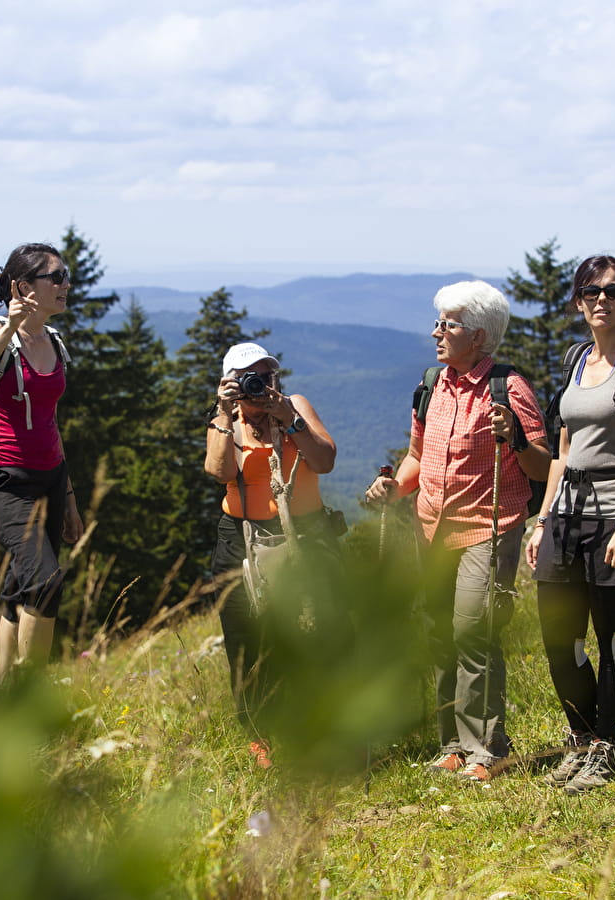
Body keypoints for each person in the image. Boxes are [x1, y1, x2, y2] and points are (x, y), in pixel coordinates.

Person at [365, 281, 552, 784]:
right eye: (439, 322)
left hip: (486, 529)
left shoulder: (509, 389)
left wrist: (512, 436)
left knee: (474, 633)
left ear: (480, 335)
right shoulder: (433, 385)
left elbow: (541, 467)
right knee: (440, 634)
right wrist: (393, 488)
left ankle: (486, 747)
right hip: (431, 529)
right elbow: (418, 457)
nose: (436, 333)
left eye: (447, 324)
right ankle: (453, 742)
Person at [525, 255, 615, 795]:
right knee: (558, 637)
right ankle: (582, 738)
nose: (602, 300)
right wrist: (542, 520)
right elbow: (563, 451)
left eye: (614, 291)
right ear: (578, 300)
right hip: (567, 514)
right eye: (591, 291)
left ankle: (608, 747)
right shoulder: (576, 359)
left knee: (614, 637)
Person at [205, 342, 338, 769]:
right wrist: (225, 414)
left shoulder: (294, 406)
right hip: (241, 537)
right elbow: (220, 472)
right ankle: (262, 735)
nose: (259, 385)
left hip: (307, 532)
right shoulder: (225, 421)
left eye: (267, 375)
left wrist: (289, 419)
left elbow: (325, 459)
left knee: (325, 627)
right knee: (246, 636)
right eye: (249, 377)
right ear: (229, 383)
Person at [0, 243, 84, 684]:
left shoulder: (52, 341)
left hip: (49, 478)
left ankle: (3, 689)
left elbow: (51, 424)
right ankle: (29, 698)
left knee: (22, 585)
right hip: (2, 481)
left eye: (65, 275)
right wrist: (10, 321)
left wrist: (68, 497)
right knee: (45, 578)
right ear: (24, 286)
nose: (66, 285)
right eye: (57, 277)